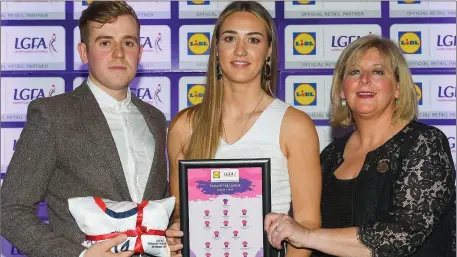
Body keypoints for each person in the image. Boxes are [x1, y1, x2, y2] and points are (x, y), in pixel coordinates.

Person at [1, 2, 168, 257]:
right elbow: (9, 210)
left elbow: (152, 204)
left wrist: (168, 234)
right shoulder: (52, 115)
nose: (119, 53)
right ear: (83, 51)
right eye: (105, 43)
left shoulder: (154, 119)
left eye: (128, 42)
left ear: (140, 51)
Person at [264, 35, 456, 257]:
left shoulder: (426, 143)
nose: (365, 79)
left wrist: (307, 235)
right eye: (354, 72)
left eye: (378, 72)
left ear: (398, 88)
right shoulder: (329, 157)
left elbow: (402, 236)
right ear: (342, 91)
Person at [166, 1, 321, 257]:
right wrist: (175, 232)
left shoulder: (294, 125)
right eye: (230, 38)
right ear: (216, 49)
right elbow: (181, 211)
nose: (240, 50)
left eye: (253, 40)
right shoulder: (185, 125)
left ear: (269, 50)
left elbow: (307, 224)